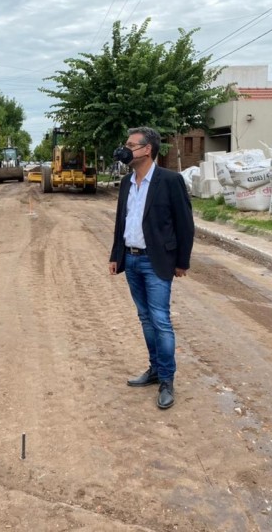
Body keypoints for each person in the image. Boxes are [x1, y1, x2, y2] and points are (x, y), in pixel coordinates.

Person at [109, 126, 195, 410]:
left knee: (160, 320)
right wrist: (116, 255)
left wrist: (182, 262)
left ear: (147, 149)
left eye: (131, 144)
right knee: (145, 318)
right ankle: (155, 370)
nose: (125, 149)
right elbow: (122, 222)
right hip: (131, 260)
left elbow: (185, 224)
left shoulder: (170, 181)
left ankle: (167, 380)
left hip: (156, 261)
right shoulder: (126, 182)